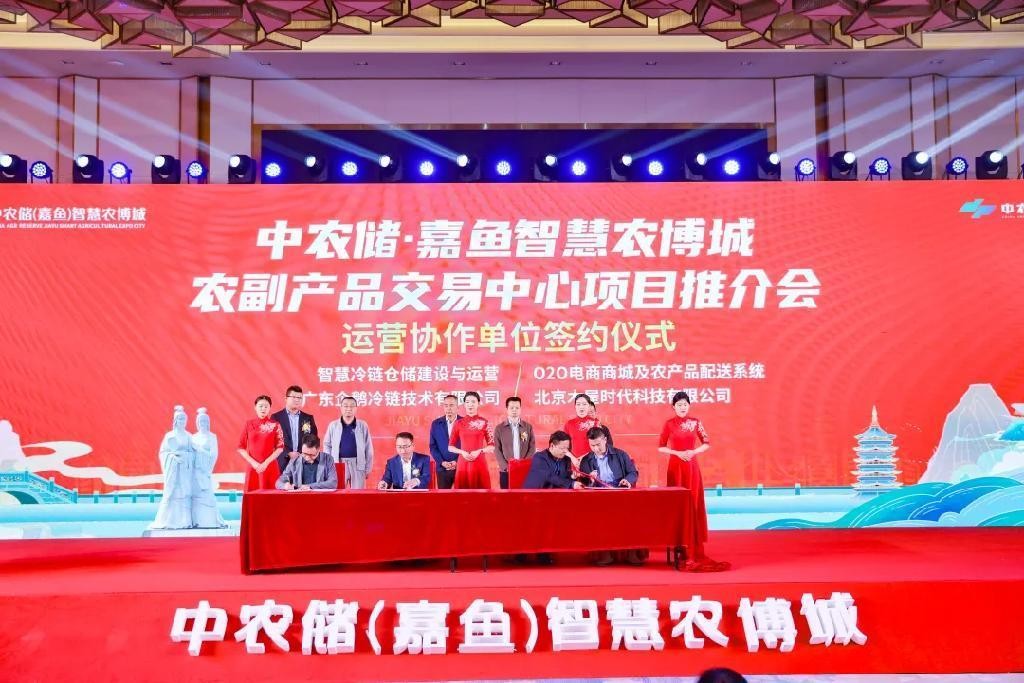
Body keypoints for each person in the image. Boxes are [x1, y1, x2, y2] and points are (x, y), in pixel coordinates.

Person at [658, 391, 729, 572]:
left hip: (691, 466)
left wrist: (693, 452)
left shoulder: (696, 422)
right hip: (675, 467)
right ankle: (680, 545)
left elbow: (706, 443)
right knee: (678, 505)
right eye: (679, 405)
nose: (682, 407)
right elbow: (661, 447)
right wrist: (677, 453)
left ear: (689, 405)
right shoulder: (669, 424)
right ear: (673, 407)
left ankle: (694, 547)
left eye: (685, 404)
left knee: (693, 503)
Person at [580, 427, 645, 565]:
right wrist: (590, 479)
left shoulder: (620, 454)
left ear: (605, 440)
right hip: (598, 496)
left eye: (598, 444)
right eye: (592, 445)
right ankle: (605, 554)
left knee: (632, 517)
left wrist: (627, 480)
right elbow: (583, 482)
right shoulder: (586, 460)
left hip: (620, 493)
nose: (596, 449)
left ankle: (632, 553)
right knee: (599, 518)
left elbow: (633, 472)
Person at [150, 405, 194, 529]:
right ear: (175, 420)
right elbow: (163, 453)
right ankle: (167, 520)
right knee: (170, 494)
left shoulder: (189, 436)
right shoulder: (169, 436)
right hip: (173, 469)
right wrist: (172, 458)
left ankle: (185, 521)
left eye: (184, 419)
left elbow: (193, 453)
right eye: (179, 419)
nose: (182, 421)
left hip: (184, 470)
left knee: (184, 495)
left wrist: (185, 457)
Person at [323, 396, 374, 490]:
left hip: (358, 464)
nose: (349, 408)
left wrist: (368, 468)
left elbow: (368, 448)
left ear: (356, 408)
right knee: (337, 493)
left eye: (352, 406)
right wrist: (329, 465)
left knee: (358, 494)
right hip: (338, 463)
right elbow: (327, 445)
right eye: (345, 406)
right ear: (341, 408)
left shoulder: (362, 425)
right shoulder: (333, 425)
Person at [237, 395, 284, 492]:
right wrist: (253, 463)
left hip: (270, 466)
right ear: (255, 407)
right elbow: (241, 447)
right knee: (252, 495)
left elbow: (280, 448)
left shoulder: (275, 425)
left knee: (271, 496)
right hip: (253, 467)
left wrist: (265, 463)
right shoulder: (249, 424)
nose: (263, 409)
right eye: (260, 406)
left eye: (266, 406)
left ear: (270, 408)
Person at [448, 391, 494, 489]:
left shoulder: (485, 422)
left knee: (481, 494)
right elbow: (450, 447)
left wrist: (480, 451)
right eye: (467, 402)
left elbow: (492, 446)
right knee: (462, 495)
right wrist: (462, 452)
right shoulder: (458, 423)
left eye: (473, 402)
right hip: (463, 463)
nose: (470, 405)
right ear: (464, 404)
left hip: (479, 463)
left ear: (478, 403)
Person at [270, 385, 318, 478]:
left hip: (303, 462)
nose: (297, 400)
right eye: (294, 397)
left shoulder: (308, 418)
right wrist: (287, 453)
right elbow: (272, 440)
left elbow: (313, 439)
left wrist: (303, 454)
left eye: (299, 398)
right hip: (282, 462)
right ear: (286, 399)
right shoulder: (276, 417)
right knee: (283, 486)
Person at [191, 407, 226, 528]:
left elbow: (214, 454)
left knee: (207, 494)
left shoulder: (212, 437)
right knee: (196, 496)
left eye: (205, 421)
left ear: (208, 423)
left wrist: (207, 467)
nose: (203, 423)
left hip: (205, 470)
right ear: (197, 422)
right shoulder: (193, 437)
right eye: (200, 421)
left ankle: (209, 520)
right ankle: (196, 520)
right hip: (195, 471)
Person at [493, 396, 536, 489]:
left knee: (524, 495)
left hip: (524, 470)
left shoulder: (528, 427)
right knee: (506, 496)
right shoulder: (499, 428)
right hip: (506, 471)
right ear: (507, 409)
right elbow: (496, 449)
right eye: (511, 408)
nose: (514, 410)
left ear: (520, 409)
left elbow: (532, 447)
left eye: (517, 407)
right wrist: (506, 467)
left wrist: (524, 464)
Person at [429, 394, 461, 489]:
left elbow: (468, 446)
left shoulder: (464, 422)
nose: (448, 408)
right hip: (442, 468)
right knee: (443, 496)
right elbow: (433, 446)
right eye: (446, 405)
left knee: (463, 496)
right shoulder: (436, 424)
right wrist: (442, 462)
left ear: (457, 407)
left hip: (461, 467)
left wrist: (457, 462)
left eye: (451, 405)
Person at [564, 394, 605, 460]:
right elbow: (563, 446)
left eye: (584, 404)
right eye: (578, 404)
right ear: (575, 406)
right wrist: (573, 458)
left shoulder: (595, 423)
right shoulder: (569, 424)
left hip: (592, 461)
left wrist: (583, 458)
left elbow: (600, 445)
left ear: (589, 406)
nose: (581, 407)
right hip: (575, 462)